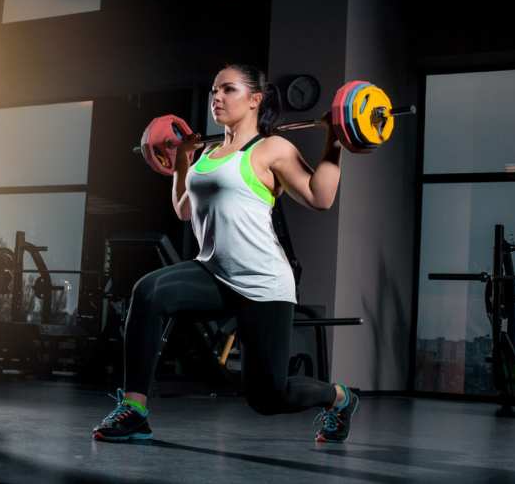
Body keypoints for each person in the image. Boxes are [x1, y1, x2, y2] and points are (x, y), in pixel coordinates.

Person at [92, 64, 358, 443]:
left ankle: (340, 398)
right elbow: (184, 209)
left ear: (255, 99)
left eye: (228, 90)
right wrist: (182, 158)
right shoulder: (208, 154)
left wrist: (335, 139)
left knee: (267, 397)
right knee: (149, 292)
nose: (216, 97)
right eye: (215, 90)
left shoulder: (272, 148)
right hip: (214, 273)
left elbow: (320, 196)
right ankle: (135, 409)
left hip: (263, 283)